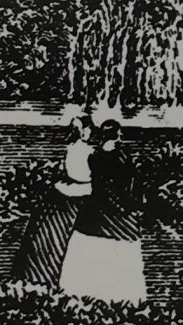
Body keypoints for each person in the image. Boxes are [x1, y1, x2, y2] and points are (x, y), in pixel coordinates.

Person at [57, 122, 147, 304]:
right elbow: (133, 185)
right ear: (118, 135)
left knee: (87, 252)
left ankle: (80, 297)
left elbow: (97, 185)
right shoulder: (123, 156)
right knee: (121, 256)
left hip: (95, 212)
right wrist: (134, 206)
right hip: (120, 216)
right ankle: (122, 300)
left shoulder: (95, 156)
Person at [12, 113, 93, 287]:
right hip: (77, 196)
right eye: (88, 129)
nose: (89, 133)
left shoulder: (71, 147)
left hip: (63, 194)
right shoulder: (86, 151)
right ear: (84, 131)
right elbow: (83, 176)